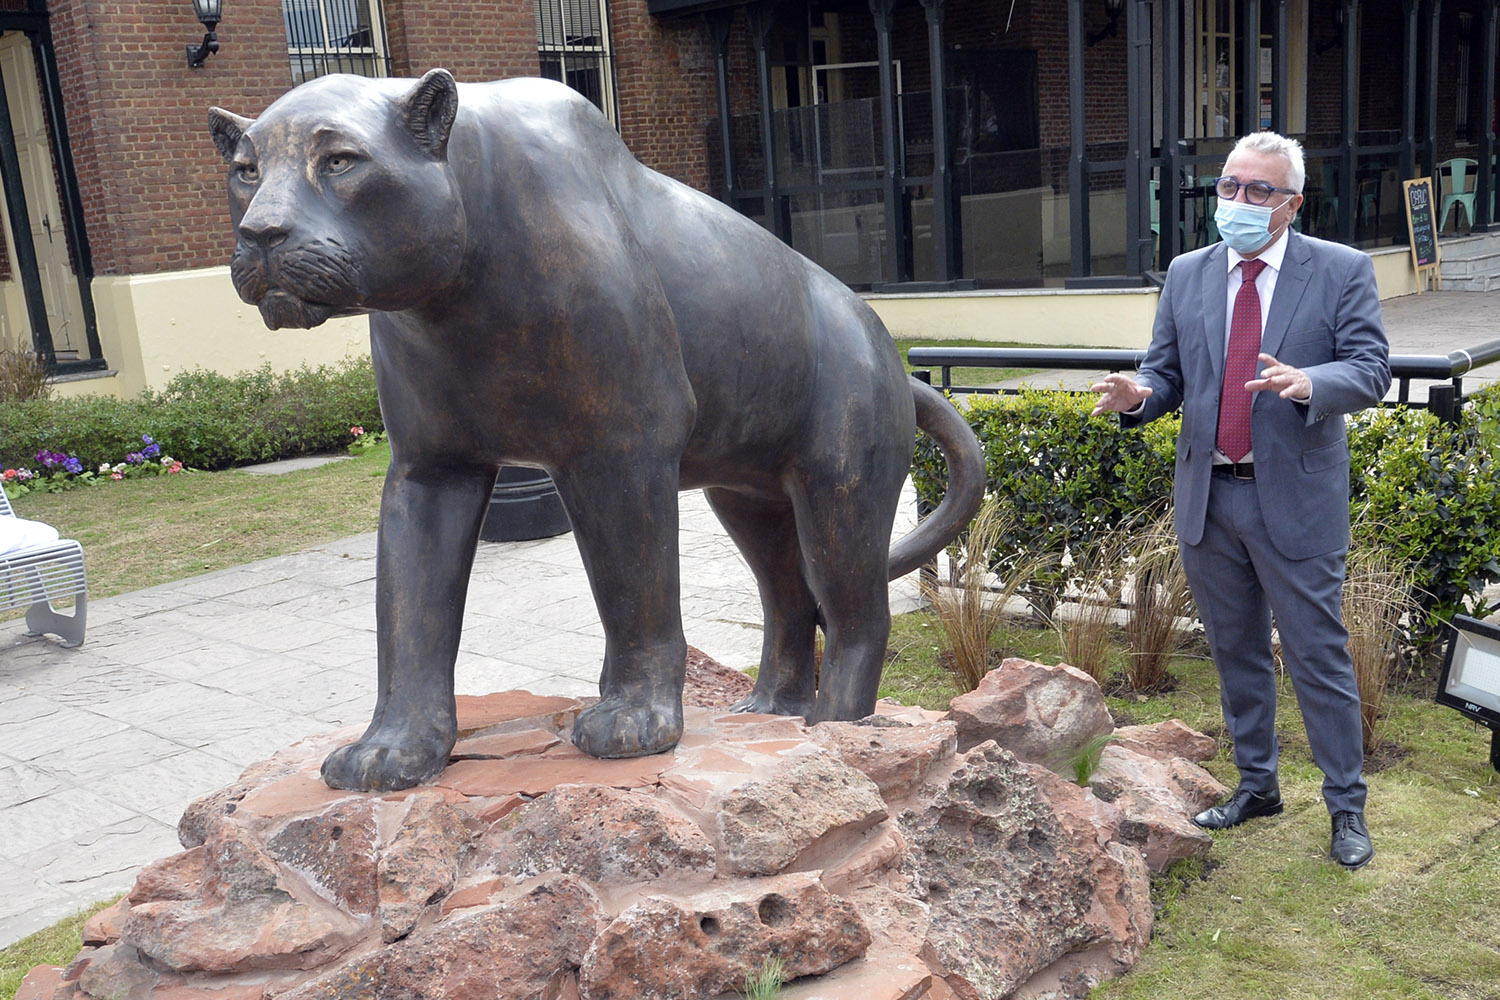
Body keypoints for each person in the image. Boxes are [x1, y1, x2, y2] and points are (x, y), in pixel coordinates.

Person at [1091, 131, 1390, 870]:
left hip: (1293, 501)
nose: (1239, 201)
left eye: (1259, 191)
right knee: (1236, 653)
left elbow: (1371, 367)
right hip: (1209, 499)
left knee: (1318, 658)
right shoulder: (1188, 272)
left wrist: (1311, 383)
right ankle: (1258, 787)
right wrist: (1138, 395)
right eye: (1229, 186)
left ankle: (1345, 807)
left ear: (1291, 203)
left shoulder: (1342, 270)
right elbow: (1167, 375)